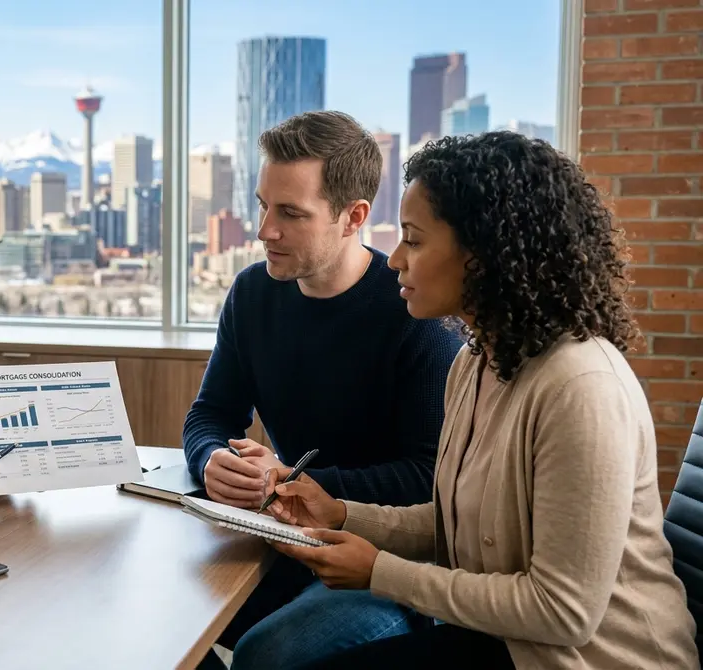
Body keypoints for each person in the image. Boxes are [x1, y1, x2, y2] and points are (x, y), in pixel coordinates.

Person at [261, 130, 699, 669]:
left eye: (415, 240)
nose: (395, 259)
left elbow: (563, 611)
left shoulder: (581, 388)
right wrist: (343, 513)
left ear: (486, 255)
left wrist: (380, 571)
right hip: (506, 642)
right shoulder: (475, 362)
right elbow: (457, 525)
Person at [184, 111, 464, 668]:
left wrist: (292, 482)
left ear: (352, 216)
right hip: (281, 529)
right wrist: (212, 456)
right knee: (159, 611)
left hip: (386, 554)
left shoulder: (418, 312)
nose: (266, 230)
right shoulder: (251, 293)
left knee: (272, 652)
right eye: (264, 206)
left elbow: (427, 479)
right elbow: (210, 414)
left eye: (290, 213)